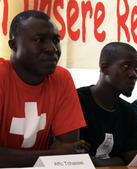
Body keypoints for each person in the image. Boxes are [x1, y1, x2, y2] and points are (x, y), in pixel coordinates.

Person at [0, 10, 89, 167]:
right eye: (39, 40)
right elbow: (62, 154)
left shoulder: (62, 78)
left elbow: (71, 150)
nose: (52, 48)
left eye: (56, 40)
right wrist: (54, 154)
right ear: (13, 45)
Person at [77, 42, 137, 166]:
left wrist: (95, 162)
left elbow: (132, 161)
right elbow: (73, 160)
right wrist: (118, 160)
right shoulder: (77, 101)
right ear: (104, 68)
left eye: (136, 68)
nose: (133, 74)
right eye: (126, 66)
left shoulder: (128, 111)